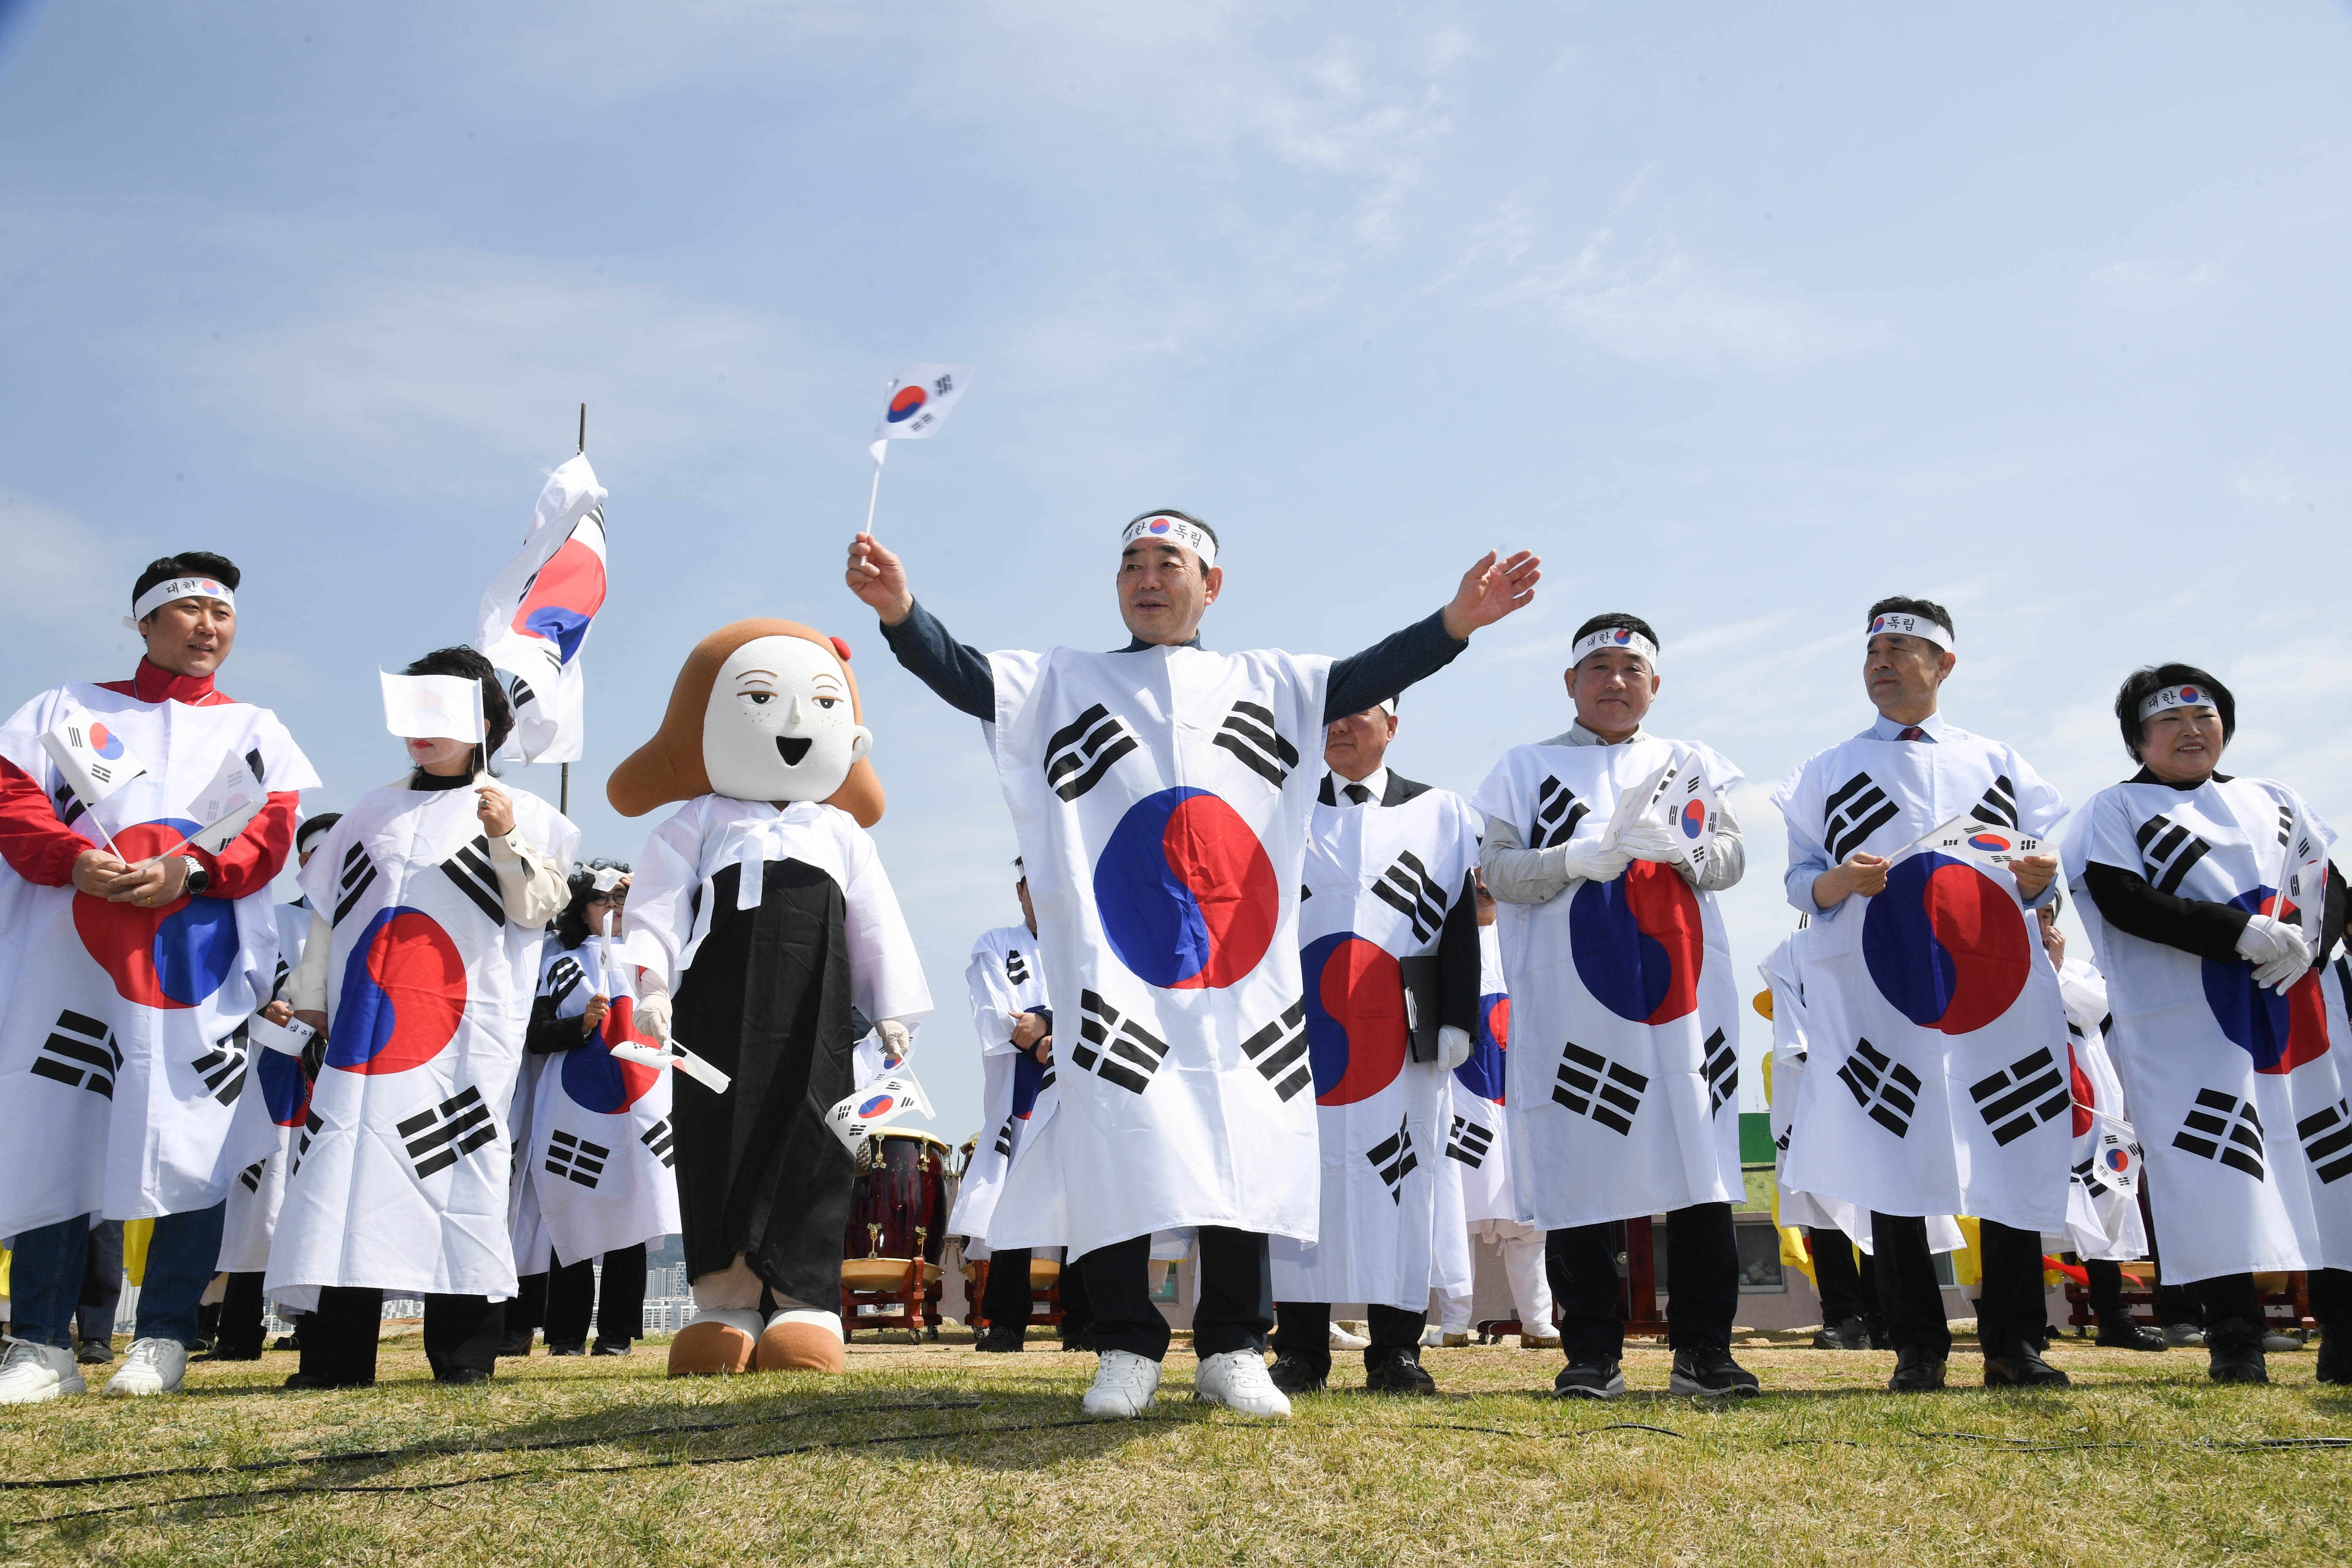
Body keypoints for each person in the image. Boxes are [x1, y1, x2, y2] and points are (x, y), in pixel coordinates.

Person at [847, 511, 1538, 1419]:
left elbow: (1370, 673)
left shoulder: (1267, 681)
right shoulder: (1069, 681)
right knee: (1117, 1142)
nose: (1147, 577)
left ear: (1211, 585)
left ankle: (1233, 1346)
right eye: (1131, 562)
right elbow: (971, 678)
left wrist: (1453, 623)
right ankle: (1128, 1344)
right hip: (1121, 973)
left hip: (1239, 976)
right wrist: (904, 616)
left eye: (1169, 562)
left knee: (1240, 1138)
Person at [0, 554, 318, 1404]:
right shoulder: (66, 709)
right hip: (79, 965)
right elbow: (14, 803)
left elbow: (269, 833)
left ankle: (166, 1334)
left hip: (195, 975)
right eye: (186, 611)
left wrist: (198, 876)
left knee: (192, 1141)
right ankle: (38, 1341)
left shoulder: (256, 727)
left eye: (221, 614)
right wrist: (74, 861)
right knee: (59, 1129)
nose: (208, 627)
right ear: (143, 622)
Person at [610, 618, 930, 1378]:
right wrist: (653, 984)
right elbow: (655, 905)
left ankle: (802, 1301)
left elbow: (877, 920)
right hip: (717, 1014)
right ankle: (726, 1298)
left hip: (819, 1020)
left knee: (817, 1140)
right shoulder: (698, 820)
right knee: (716, 1137)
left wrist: (891, 1007)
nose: (791, 727)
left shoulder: (842, 831)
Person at [1774, 597, 2074, 1393]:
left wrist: (2042, 883)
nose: (1882, 661)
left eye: (1902, 647)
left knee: (2003, 1146)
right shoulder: (1825, 770)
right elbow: (1799, 879)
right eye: (1873, 648)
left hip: (1990, 983)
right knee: (1891, 1152)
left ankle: (2014, 1340)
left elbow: (2046, 868)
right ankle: (1916, 1344)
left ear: (1943, 664)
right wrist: (1841, 879)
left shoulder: (2000, 763)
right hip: (1881, 984)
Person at [270, 647, 576, 1388]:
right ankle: (336, 1356)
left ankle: (463, 1353)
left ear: (485, 720)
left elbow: (539, 908)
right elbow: (324, 915)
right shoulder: (370, 811)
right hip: (364, 1037)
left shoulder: (529, 813)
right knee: (345, 1175)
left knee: (458, 1175)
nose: (422, 732)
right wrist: (312, 1007)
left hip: (464, 1039)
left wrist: (504, 835)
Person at [1476, 614, 1756, 1399]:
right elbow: (1495, 870)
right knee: (1580, 1173)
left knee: (1698, 1171)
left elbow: (1731, 859)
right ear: (1570, 682)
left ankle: (1704, 1350)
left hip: (1681, 1002)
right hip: (1573, 1006)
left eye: (1631, 668)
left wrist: (1690, 849)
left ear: (1654, 684)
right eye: (1597, 667)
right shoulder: (1522, 769)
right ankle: (1590, 1351)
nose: (1614, 681)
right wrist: (1572, 858)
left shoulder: (1688, 760)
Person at [2058, 664, 2351, 1385]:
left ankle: (2342, 1331)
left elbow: (2328, 886)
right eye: (2168, 722)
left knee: (2326, 1167)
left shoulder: (2274, 800)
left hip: (2296, 1019)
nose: (2191, 732)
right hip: (2190, 1027)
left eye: (2205, 717)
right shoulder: (2114, 810)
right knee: (2215, 1171)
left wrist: (2307, 947)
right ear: (2136, 739)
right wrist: (2236, 933)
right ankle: (2233, 1335)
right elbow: (2122, 896)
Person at [1267, 696, 1481, 1396]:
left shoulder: (1441, 812)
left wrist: (1455, 1017)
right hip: (1305, 1034)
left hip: (1402, 1027)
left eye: (1358, 712)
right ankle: (1299, 1350)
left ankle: (1396, 1349)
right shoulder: (1282, 805)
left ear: (1392, 725)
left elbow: (1457, 922)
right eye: (1328, 714)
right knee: (1305, 1183)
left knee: (1403, 1182)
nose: (1339, 726)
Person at [507, 860, 672, 1358]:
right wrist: (579, 1024)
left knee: (634, 1211)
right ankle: (564, 1334)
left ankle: (618, 1334)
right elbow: (534, 1035)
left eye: (622, 901)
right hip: (572, 1105)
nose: (614, 911)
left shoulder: (655, 960)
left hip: (641, 1101)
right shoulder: (557, 960)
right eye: (603, 901)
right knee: (570, 1215)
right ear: (582, 907)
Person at [948, 858, 1094, 1353]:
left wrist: (1050, 1022)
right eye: (1035, 884)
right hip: (1022, 1097)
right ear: (1020, 890)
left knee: (1082, 1204)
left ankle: (1082, 1321)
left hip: (1077, 1091)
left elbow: (1095, 1010)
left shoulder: (1085, 945)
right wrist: (1043, 1032)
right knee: (1011, 1205)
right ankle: (1007, 1321)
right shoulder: (995, 944)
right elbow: (999, 1016)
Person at [212, 810, 342, 1361]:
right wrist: (272, 1011)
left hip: (336, 1084)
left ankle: (318, 1330)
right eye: (315, 852)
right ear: (301, 861)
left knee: (319, 1205)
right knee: (257, 1204)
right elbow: (240, 995)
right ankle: (238, 1332)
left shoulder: (363, 926)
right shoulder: (273, 921)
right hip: (271, 1082)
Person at [1430, 877, 1560, 1351]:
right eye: (1474, 878)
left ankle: (1537, 1320)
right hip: (1461, 1091)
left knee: (1529, 1221)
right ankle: (1454, 1319)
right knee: (1459, 1210)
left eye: (1491, 877)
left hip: (1519, 1095)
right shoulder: (1443, 936)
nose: (1484, 886)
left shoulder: (1529, 937)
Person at [2036, 897, 2167, 1353]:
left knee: (2107, 1204)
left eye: (2046, 917)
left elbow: (2090, 1010)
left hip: (2092, 1106)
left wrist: (2053, 968)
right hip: (2034, 1104)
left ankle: (2114, 1317)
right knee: (2029, 1210)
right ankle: (2027, 1322)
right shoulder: (1998, 970)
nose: (2040, 925)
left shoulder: (2079, 971)